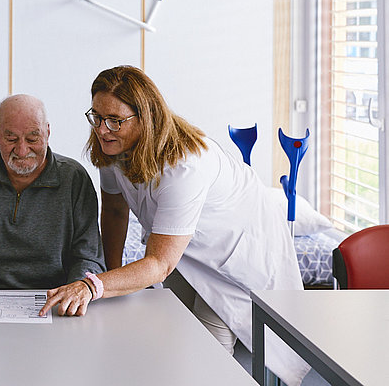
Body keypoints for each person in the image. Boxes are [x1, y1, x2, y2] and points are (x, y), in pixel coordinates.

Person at [41, 66, 309, 385]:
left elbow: (159, 263)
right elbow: (114, 210)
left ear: (145, 118)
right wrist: (111, 280)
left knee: (206, 357)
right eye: (96, 117)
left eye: (115, 120)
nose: (102, 129)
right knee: (169, 330)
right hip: (185, 248)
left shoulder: (184, 165)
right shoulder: (113, 147)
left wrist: (92, 285)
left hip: (237, 255)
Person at [0, 94, 105, 315]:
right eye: (11, 139)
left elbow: (88, 258)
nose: (22, 150)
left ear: (48, 133)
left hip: (53, 299)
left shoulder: (74, 179)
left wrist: (74, 294)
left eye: (33, 139)